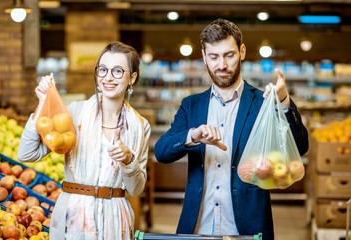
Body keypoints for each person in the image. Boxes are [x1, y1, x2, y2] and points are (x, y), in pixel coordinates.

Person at [154, 18, 308, 240]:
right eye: (214, 57)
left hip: (248, 229)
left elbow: (300, 147)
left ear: (242, 52)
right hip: (198, 227)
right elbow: (161, 152)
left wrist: (283, 101)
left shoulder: (262, 102)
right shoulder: (191, 105)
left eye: (229, 55)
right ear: (204, 57)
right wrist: (192, 136)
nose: (222, 65)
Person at [17, 41, 151, 240]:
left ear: (132, 78)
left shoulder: (140, 126)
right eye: (103, 70)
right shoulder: (75, 114)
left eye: (118, 71)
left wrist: (129, 159)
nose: (108, 77)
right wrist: (42, 105)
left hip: (115, 221)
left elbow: (135, 189)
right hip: (73, 218)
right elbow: (27, 153)